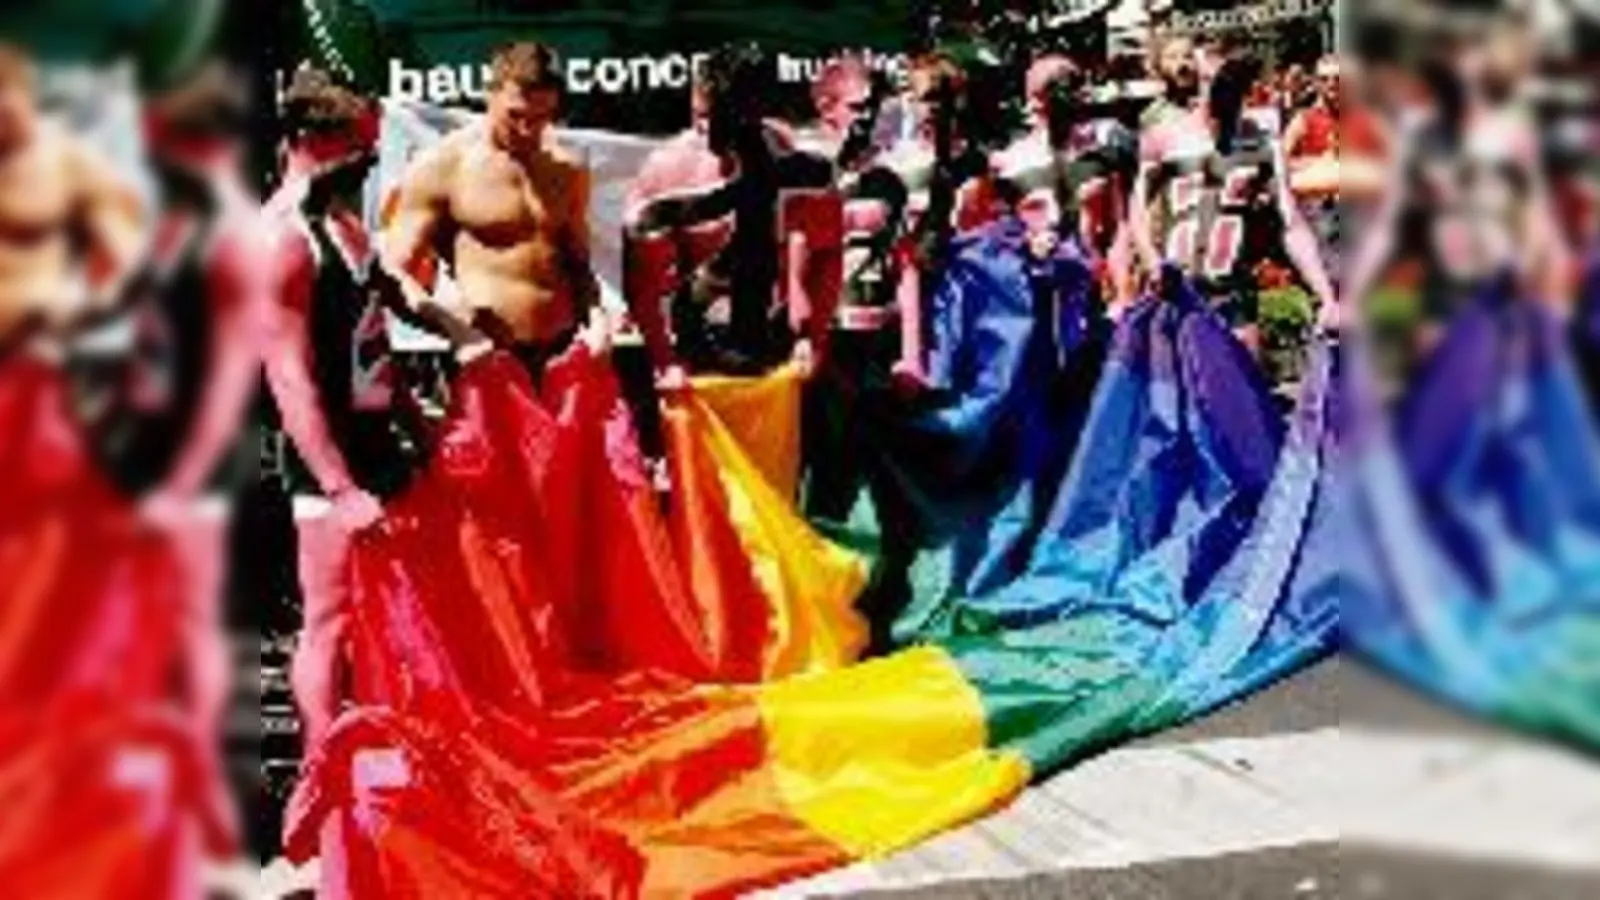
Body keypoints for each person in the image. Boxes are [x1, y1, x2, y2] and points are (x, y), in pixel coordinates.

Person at [264, 67, 418, 751]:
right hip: (326, 461)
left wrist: (418, 419)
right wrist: (339, 486)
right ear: (313, 142)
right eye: (357, 145)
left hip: (378, 440)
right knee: (329, 617)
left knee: (392, 613)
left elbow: (377, 331)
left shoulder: (343, 220)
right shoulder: (282, 238)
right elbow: (288, 377)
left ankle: (391, 757)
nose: (369, 158)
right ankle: (325, 772)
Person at [381, 41, 608, 377]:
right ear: (490, 95)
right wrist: (454, 329)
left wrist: (597, 319)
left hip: (566, 351)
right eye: (515, 115)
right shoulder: (442, 166)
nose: (527, 130)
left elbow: (577, 262)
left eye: (541, 117)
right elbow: (391, 274)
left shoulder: (566, 169)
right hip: (487, 358)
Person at [1344, 22, 1571, 352]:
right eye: (1445, 75)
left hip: (1499, 285)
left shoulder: (1512, 135)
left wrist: (1545, 291)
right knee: (1436, 377)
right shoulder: (1419, 136)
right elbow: (1387, 224)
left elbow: (1537, 216)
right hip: (1444, 286)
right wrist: (1354, 292)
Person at [623, 44, 835, 382]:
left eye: (731, 118)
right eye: (704, 116)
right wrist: (665, 361)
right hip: (694, 362)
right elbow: (643, 286)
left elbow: (826, 254)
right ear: (695, 99)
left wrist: (813, 337)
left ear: (757, 110)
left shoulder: (800, 169)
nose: (712, 131)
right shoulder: (666, 170)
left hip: (780, 355)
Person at [1129, 41, 1338, 351]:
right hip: (1176, 294)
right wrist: (1150, 258)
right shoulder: (1163, 137)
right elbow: (1137, 208)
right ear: (1198, 82)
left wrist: (1326, 295)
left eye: (1232, 82)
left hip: (1233, 298)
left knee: (1239, 392)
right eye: (1213, 81)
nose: (1221, 92)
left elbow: (1291, 223)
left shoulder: (1263, 146)